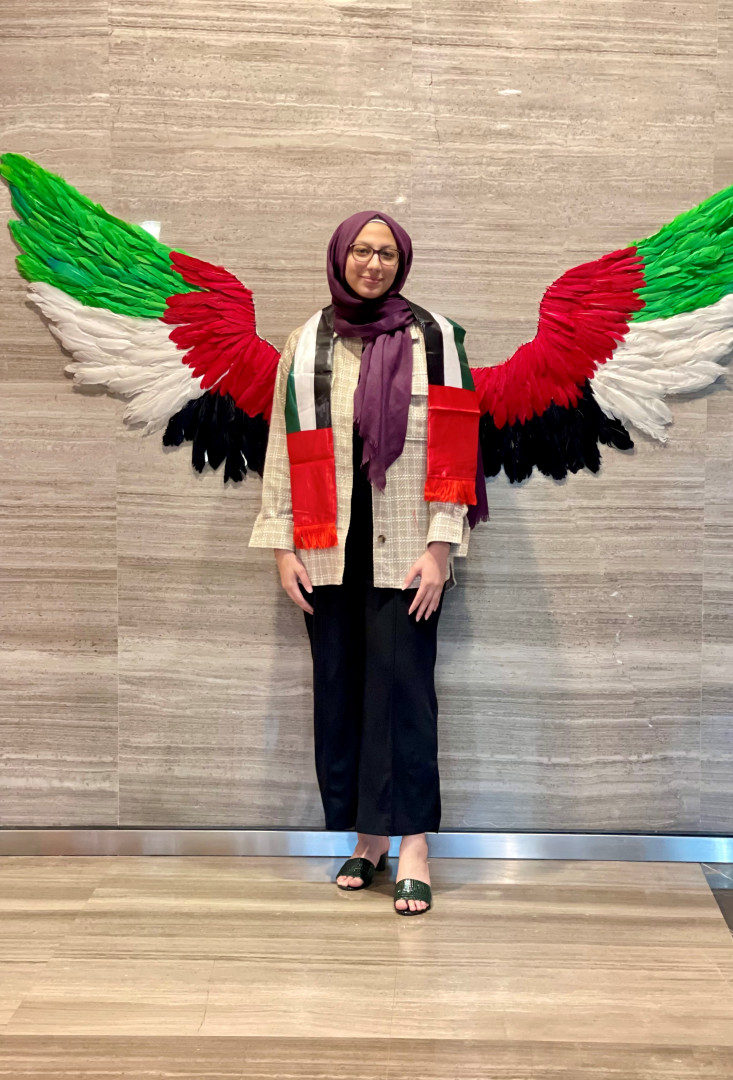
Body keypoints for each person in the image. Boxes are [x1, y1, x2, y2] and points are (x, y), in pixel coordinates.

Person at [249, 211, 475, 914]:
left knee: (404, 693)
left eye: (386, 254)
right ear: (340, 256)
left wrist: (440, 547)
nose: (373, 264)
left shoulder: (435, 339)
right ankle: (368, 837)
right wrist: (282, 545)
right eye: (361, 251)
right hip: (327, 546)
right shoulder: (307, 341)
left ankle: (414, 846)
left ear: (401, 262)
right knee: (342, 691)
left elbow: (456, 444)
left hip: (407, 549)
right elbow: (283, 447)